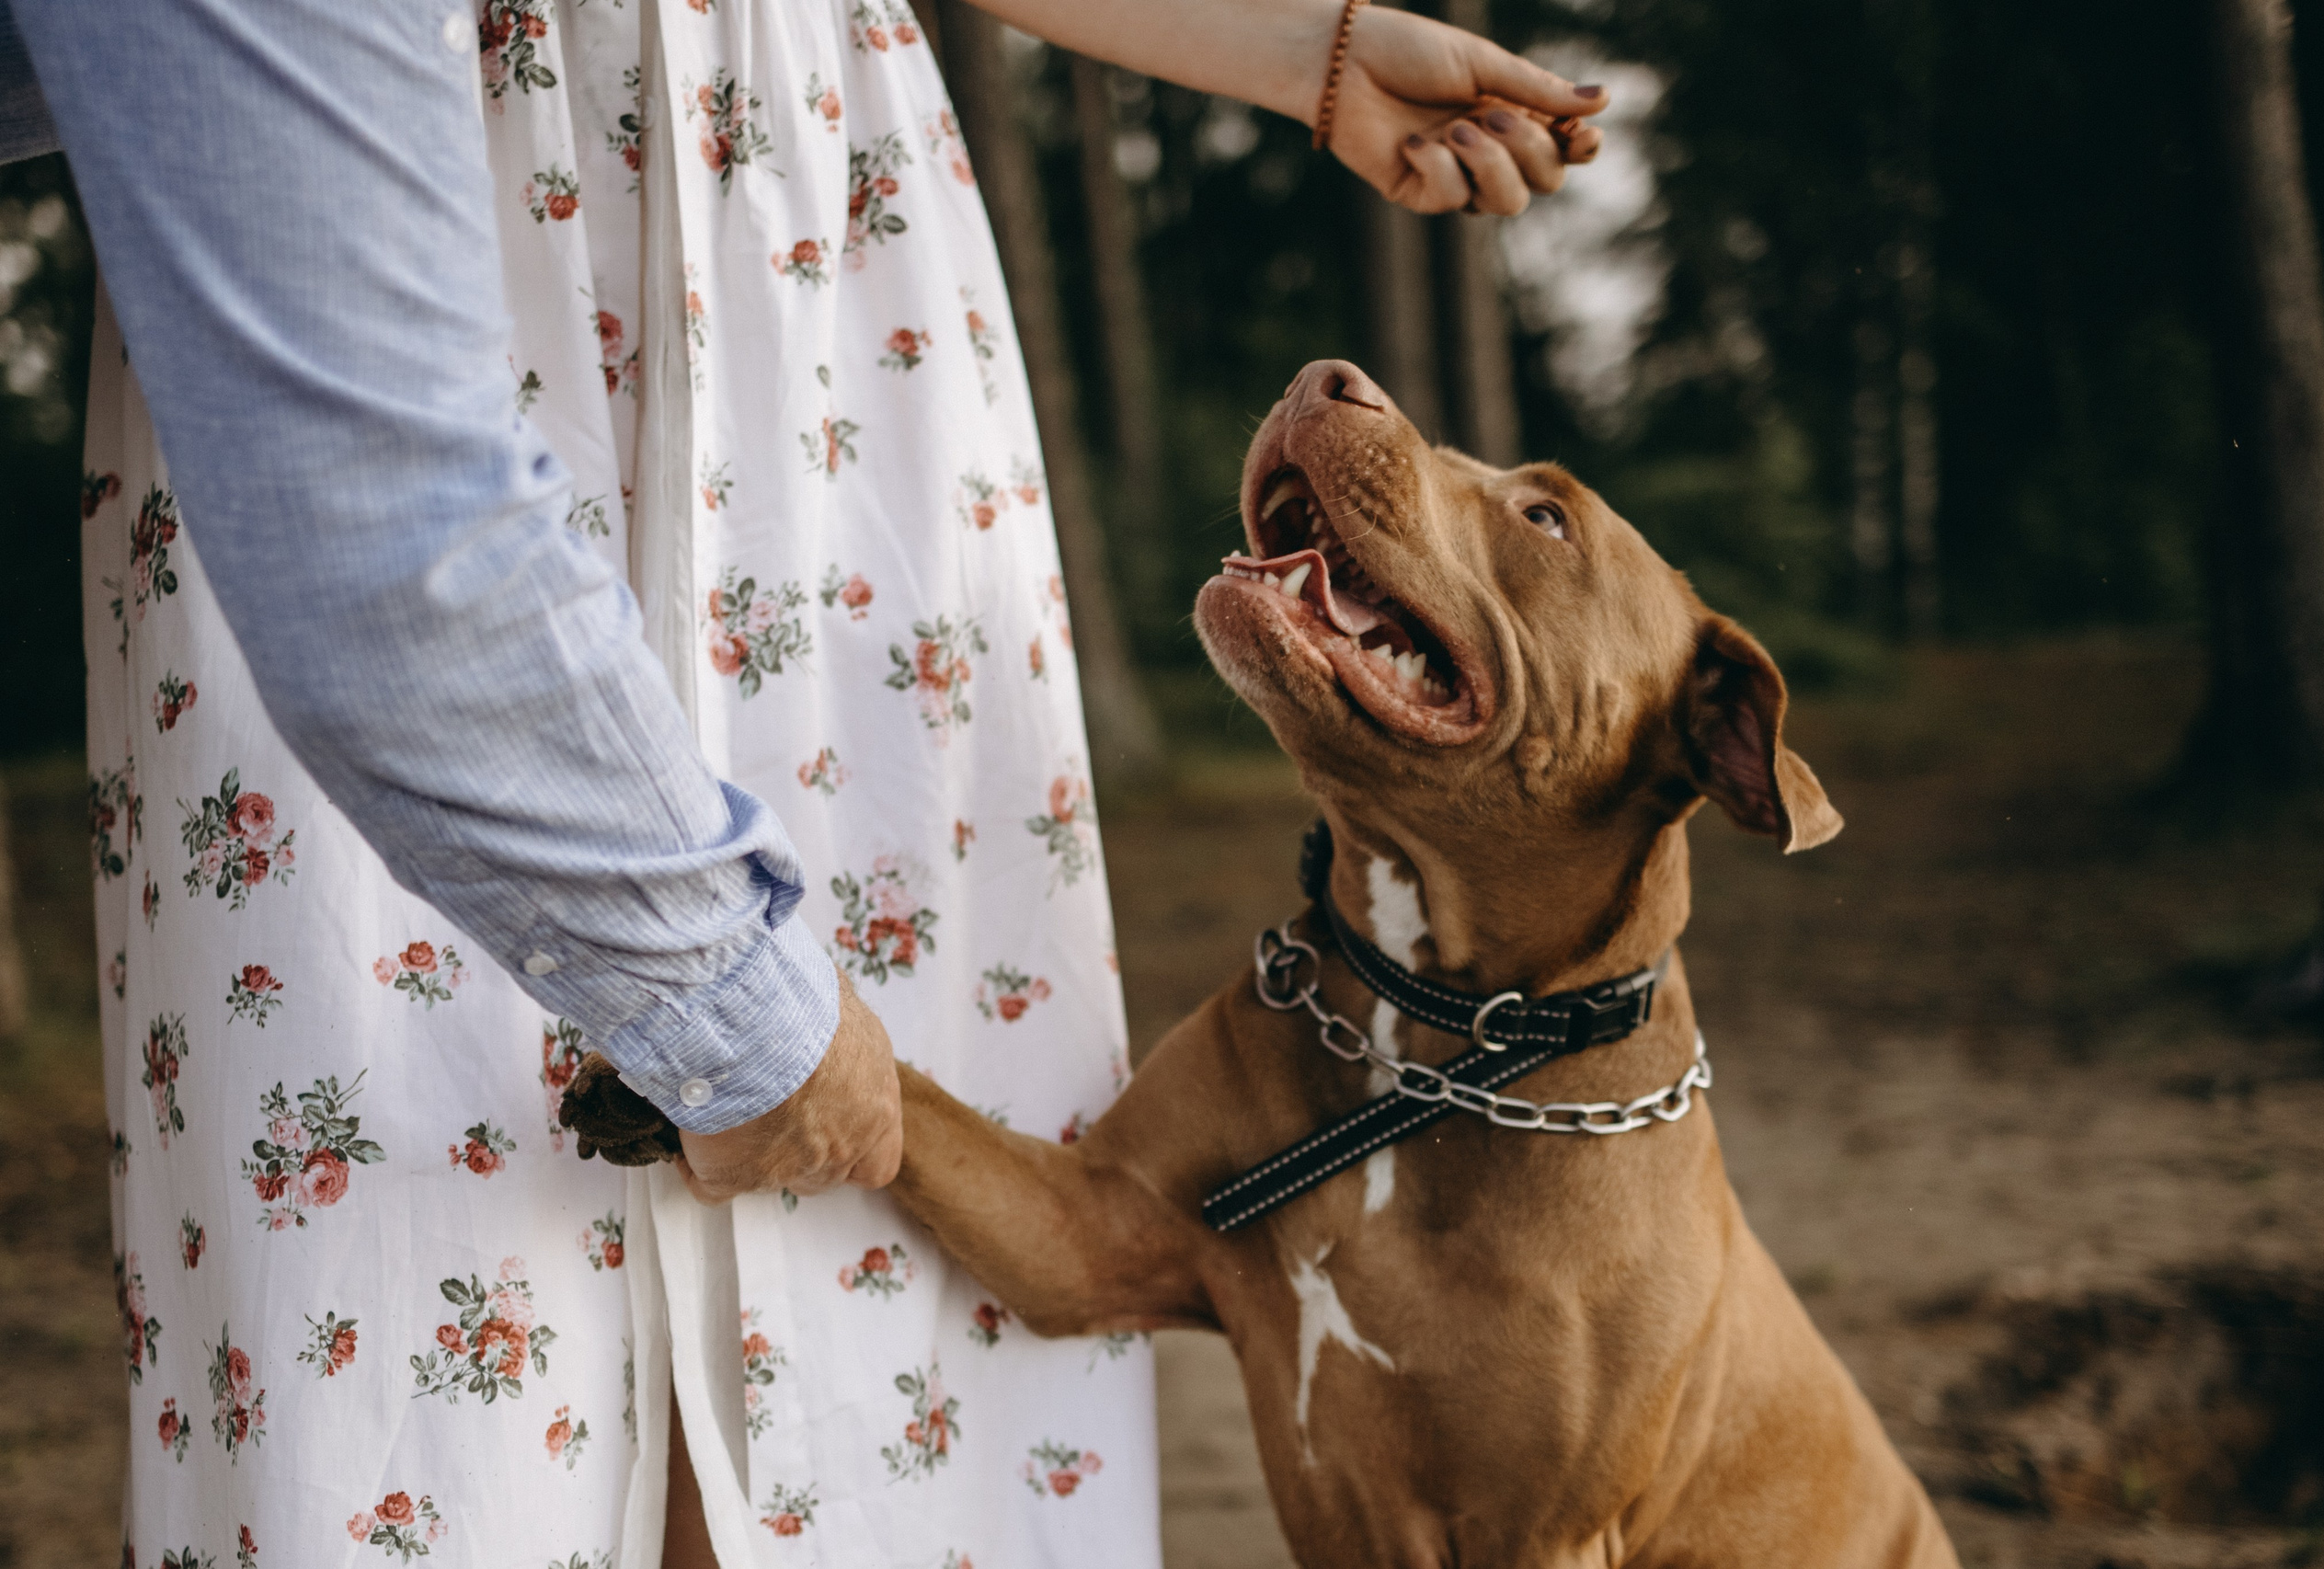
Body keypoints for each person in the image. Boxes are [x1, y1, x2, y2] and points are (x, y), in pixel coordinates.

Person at [2, 1, 1602, 1563]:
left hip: (827, 303)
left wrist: (1292, 45)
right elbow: (365, 519)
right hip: (377, 215)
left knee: (881, 1362)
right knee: (428, 1286)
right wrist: (733, 1006)